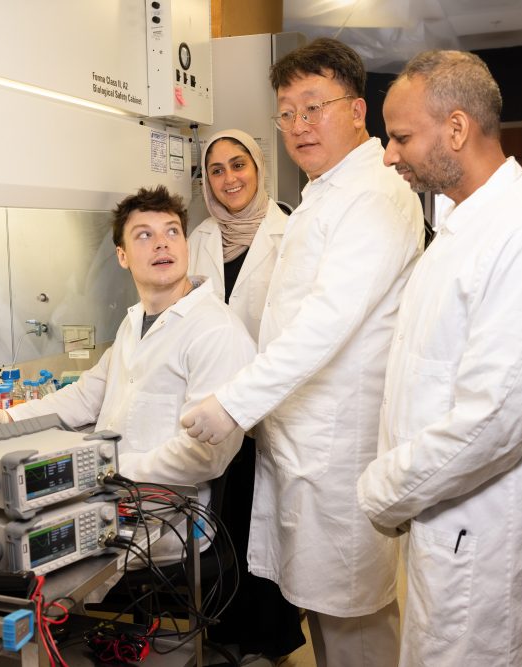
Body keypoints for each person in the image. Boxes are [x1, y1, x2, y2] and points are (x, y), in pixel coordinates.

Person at [181, 38, 424, 666]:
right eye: (286, 113)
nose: (298, 126)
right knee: (325, 606)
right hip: (301, 440)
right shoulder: (324, 189)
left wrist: (232, 403)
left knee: (353, 614)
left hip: (337, 449)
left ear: (357, 110)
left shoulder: (373, 195)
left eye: (313, 107)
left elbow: (323, 326)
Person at [357, 50, 522, 666]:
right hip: (450, 535)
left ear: (456, 129)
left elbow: (494, 422)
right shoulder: (464, 232)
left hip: (486, 555)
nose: (389, 155)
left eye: (400, 137)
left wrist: (382, 489)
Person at [0, 185, 256, 560]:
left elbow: (207, 456)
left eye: (172, 231)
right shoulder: (135, 322)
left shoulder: (215, 331)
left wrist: (106, 469)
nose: (162, 244)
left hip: (167, 517)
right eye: (145, 235)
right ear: (122, 256)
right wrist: (5, 416)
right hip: (114, 500)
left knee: (24, 564)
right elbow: (87, 395)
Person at [186, 129, 305, 660]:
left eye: (239, 165)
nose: (229, 178)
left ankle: (270, 638)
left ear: (258, 169)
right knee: (223, 527)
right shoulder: (198, 239)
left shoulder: (291, 233)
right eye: (217, 170)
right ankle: (223, 635)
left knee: (267, 528)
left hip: (267, 409)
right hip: (211, 410)